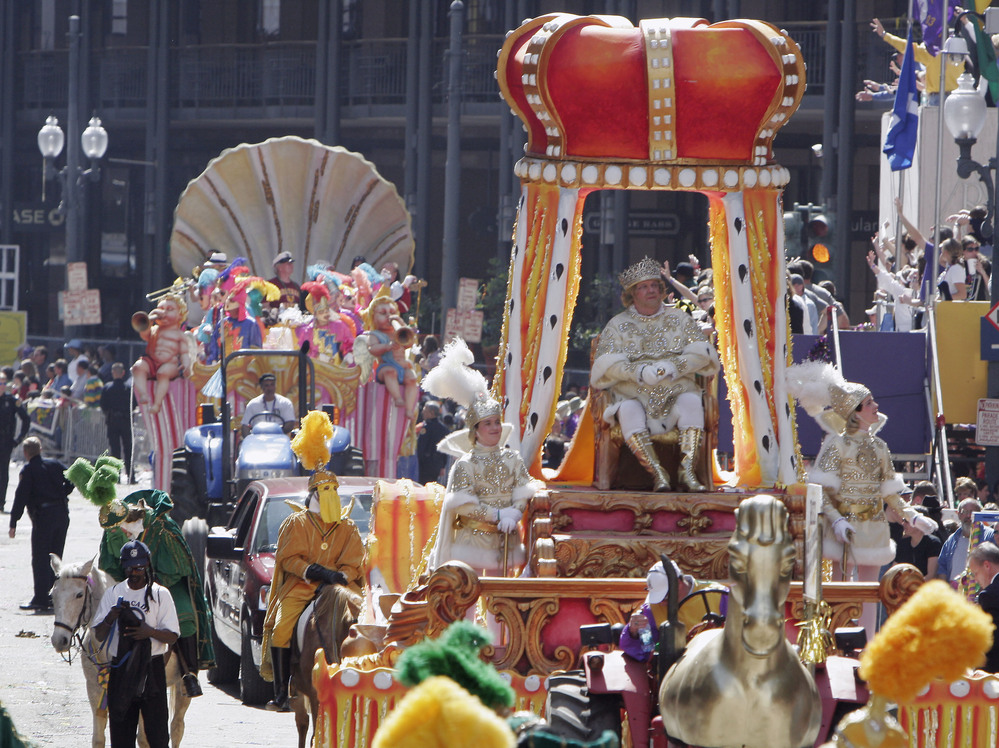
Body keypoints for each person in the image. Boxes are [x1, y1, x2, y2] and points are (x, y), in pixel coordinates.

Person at [786, 361, 934, 636]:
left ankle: (866, 646)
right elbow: (820, 491)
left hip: (874, 528)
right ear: (855, 411)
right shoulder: (836, 445)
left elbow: (889, 492)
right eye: (868, 402)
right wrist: (837, 521)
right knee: (841, 591)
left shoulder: (880, 447)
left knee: (872, 593)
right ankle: (836, 643)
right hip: (844, 530)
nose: (876, 406)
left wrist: (912, 516)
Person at [261, 411, 365, 711]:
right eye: (324, 490)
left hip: (338, 588)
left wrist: (340, 576)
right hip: (302, 586)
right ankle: (282, 691)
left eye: (333, 490)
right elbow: (288, 559)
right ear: (313, 494)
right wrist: (313, 570)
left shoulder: (347, 527)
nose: (329, 494)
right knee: (282, 628)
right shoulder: (297, 523)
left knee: (363, 619)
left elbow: (354, 561)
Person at [591, 256, 720, 492]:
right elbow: (605, 365)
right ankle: (658, 474)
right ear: (632, 294)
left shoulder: (681, 320)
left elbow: (703, 354)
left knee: (692, 402)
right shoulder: (617, 325)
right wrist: (638, 371)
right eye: (643, 287)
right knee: (628, 409)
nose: (651, 290)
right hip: (634, 395)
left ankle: (687, 472)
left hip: (677, 391)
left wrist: (674, 367)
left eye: (654, 285)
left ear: (661, 290)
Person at [423, 339, 542, 577]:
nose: (495, 428)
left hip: (504, 541)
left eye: (497, 422)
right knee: (469, 591)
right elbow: (463, 505)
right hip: (470, 543)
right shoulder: (465, 464)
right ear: (475, 430)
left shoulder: (513, 458)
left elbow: (523, 490)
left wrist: (515, 513)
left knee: (501, 596)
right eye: (488, 424)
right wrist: (497, 515)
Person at [95, 489, 215, 677]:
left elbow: (179, 567)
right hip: (127, 583)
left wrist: (152, 582)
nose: (118, 533)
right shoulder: (113, 531)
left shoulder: (161, 529)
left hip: (165, 581)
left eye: (120, 529)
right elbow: (109, 565)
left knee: (185, 617)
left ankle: (189, 674)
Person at [91, 539, 179, 748]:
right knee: (121, 737)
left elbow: (172, 636)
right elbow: (99, 635)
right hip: (121, 670)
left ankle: (190, 672)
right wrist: (110, 617)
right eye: (130, 568)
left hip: (152, 669)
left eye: (139, 567)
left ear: (147, 565)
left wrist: (149, 632)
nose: (134, 572)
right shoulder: (113, 593)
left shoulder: (160, 594)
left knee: (158, 737)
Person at [7, 437, 73, 611]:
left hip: (44, 517)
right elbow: (72, 478)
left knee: (40, 558)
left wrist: (13, 521)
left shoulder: (29, 470)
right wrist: (63, 493)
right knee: (56, 557)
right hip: (61, 514)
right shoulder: (55, 464)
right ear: (40, 449)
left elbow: (21, 497)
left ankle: (41, 599)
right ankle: (53, 596)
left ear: (25, 452)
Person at [619, 558, 727, 662]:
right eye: (658, 597)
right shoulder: (652, 609)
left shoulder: (719, 595)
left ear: (678, 583)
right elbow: (646, 651)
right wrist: (633, 633)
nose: (661, 603)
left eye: (664, 597)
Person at [131, 291, 195, 414]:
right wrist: (149, 320)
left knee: (163, 373)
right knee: (137, 367)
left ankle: (157, 403)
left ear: (180, 315)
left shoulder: (179, 335)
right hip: (151, 361)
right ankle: (143, 394)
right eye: (160, 309)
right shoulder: (154, 330)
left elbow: (184, 353)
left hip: (170, 364)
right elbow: (144, 333)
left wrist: (186, 364)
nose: (163, 312)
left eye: (169, 309)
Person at [360, 290, 419, 414]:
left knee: (412, 379)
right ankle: (397, 398)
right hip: (386, 366)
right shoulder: (375, 334)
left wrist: (401, 323)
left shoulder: (398, 332)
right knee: (390, 372)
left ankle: (409, 409)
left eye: (392, 313)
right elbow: (372, 349)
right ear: (373, 317)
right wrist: (387, 346)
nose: (388, 316)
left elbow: (409, 343)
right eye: (383, 313)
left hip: (403, 367)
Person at [937, 498, 995, 588]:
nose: (968, 516)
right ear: (959, 514)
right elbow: (942, 567)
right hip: (954, 592)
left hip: (979, 592)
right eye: (964, 512)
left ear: (979, 514)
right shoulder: (951, 540)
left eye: (972, 512)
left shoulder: (991, 536)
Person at [0, 374, 29, 513]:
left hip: (5, 441)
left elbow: (25, 419)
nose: (2, 386)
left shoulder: (11, 400)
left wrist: (19, 439)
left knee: (2, 472)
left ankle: (1, 502)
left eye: (3, 383)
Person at [969, 541, 999, 673]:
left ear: (987, 565)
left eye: (975, 573)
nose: (976, 580)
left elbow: (991, 641)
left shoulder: (988, 595)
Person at [101, 363, 133, 482]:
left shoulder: (107, 388)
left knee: (115, 450)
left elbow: (103, 405)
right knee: (128, 449)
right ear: (123, 373)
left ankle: (116, 476)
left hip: (112, 420)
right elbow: (133, 404)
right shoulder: (128, 388)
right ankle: (131, 475)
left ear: (113, 373)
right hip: (125, 420)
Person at [240, 372, 296, 438]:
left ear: (275, 386)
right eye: (266, 385)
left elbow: (290, 423)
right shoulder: (253, 404)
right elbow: (245, 425)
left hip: (279, 439)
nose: (270, 388)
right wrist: (249, 440)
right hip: (258, 439)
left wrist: (276, 433)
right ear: (261, 387)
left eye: (272, 384)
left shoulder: (285, 403)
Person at [416, 400, 450, 485]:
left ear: (432, 413)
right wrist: (443, 466)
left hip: (424, 464)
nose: (422, 412)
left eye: (425, 410)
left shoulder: (426, 427)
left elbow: (421, 446)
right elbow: (445, 450)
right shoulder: (444, 429)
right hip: (436, 465)